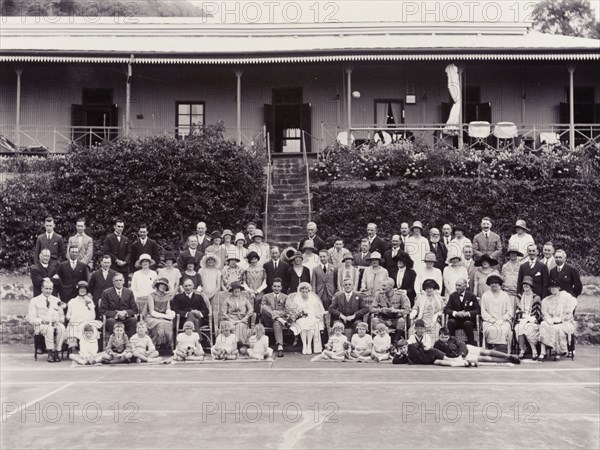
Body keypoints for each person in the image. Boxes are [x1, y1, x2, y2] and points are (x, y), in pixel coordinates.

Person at [434, 327, 520, 365]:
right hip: (461, 358)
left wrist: (461, 354)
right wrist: (456, 359)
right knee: (483, 358)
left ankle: (508, 355)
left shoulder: (453, 339)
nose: (444, 338)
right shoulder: (437, 344)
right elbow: (439, 355)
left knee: (485, 352)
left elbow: (462, 345)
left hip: (466, 350)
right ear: (439, 336)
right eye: (442, 337)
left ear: (449, 336)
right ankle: (508, 360)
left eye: (446, 336)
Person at [28, 280, 67, 362]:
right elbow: (31, 318)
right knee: (49, 329)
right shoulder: (34, 300)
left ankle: (57, 351)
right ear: (42, 288)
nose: (48, 291)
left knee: (62, 328)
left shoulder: (56, 300)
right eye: (46, 288)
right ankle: (50, 353)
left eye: (50, 289)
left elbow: (61, 315)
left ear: (52, 289)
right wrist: (42, 321)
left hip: (54, 323)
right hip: (40, 325)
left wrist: (59, 320)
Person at [539, 280, 578, 361]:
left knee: (557, 328)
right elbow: (544, 313)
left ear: (559, 288)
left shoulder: (565, 297)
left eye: (555, 287)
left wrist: (561, 319)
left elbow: (571, 307)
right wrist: (548, 319)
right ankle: (543, 352)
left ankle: (557, 352)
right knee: (543, 324)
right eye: (552, 287)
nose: (554, 289)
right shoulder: (546, 300)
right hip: (551, 321)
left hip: (563, 322)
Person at [405, 320, 470, 367]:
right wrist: (420, 345)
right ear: (415, 329)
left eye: (422, 328)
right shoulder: (412, 337)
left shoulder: (427, 336)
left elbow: (427, 348)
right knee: (439, 359)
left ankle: (459, 362)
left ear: (424, 329)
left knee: (440, 360)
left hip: (427, 355)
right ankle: (457, 361)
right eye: (418, 328)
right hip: (419, 357)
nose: (420, 330)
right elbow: (410, 348)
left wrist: (417, 346)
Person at [289, 282, 325, 355]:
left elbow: (316, 310)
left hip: (312, 316)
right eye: (302, 289)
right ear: (300, 290)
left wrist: (309, 313)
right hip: (300, 317)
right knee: (302, 323)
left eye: (306, 289)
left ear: (308, 290)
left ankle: (309, 346)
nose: (304, 291)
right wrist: (300, 313)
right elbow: (295, 309)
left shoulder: (313, 298)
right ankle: (304, 346)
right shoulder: (297, 298)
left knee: (311, 323)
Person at [370, 278, 411, 342]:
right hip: (383, 319)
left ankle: (395, 341)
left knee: (401, 320)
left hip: (396, 320)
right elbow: (371, 309)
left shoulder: (401, 295)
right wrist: (381, 310)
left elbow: (408, 310)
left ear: (391, 286)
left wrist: (396, 310)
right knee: (374, 320)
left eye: (384, 286)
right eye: (382, 285)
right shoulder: (379, 295)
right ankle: (378, 341)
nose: (382, 287)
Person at [99, 273, 138, 337]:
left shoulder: (129, 292)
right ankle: (115, 344)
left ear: (123, 281)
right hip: (113, 319)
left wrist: (125, 312)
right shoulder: (106, 292)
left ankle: (129, 343)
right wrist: (117, 314)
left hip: (126, 318)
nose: (118, 282)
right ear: (113, 282)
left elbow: (134, 309)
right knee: (111, 321)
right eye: (116, 281)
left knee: (133, 320)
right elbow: (102, 310)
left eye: (120, 280)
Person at [480, 275, 513, 351]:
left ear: (499, 284)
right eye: (492, 283)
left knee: (504, 329)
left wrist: (503, 319)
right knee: (490, 330)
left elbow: (509, 311)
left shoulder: (505, 295)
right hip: (489, 321)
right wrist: (491, 319)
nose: (494, 285)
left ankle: (503, 349)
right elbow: (483, 311)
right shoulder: (485, 295)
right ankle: (490, 348)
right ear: (489, 284)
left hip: (503, 321)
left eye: (496, 283)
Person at [444, 278, 480, 346]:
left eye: (459, 285)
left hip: (468, 321)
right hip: (456, 321)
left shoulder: (471, 296)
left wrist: (467, 313)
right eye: (456, 285)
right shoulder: (452, 296)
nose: (457, 287)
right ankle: (452, 344)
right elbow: (446, 309)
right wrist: (456, 313)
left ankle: (471, 345)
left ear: (465, 286)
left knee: (467, 323)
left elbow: (477, 310)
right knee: (451, 322)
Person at [65, 280, 102, 348]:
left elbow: (93, 315)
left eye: (84, 289)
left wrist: (84, 321)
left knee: (91, 328)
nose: (82, 290)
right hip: (75, 323)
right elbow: (68, 315)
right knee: (72, 327)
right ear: (78, 290)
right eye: (80, 289)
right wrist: (72, 318)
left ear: (86, 290)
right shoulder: (72, 301)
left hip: (86, 322)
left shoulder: (89, 301)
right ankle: (74, 347)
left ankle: (90, 349)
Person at [260, 278, 290, 357]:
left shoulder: (285, 297)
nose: (276, 288)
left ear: (281, 287)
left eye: (278, 286)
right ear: (272, 287)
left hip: (279, 322)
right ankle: (279, 319)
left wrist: (275, 313)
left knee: (277, 322)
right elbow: (262, 310)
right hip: (268, 320)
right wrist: (275, 314)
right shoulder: (266, 296)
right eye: (275, 286)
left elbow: (286, 311)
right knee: (264, 307)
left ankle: (280, 347)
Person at [515, 276, 542, 360]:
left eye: (527, 284)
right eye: (524, 284)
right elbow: (517, 311)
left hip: (532, 320)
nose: (525, 286)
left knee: (528, 327)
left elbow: (538, 312)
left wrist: (531, 318)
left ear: (531, 286)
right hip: (522, 318)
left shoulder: (536, 297)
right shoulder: (519, 297)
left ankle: (534, 350)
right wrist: (523, 316)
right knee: (519, 327)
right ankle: (522, 350)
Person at [145, 277, 175, 352]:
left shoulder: (167, 296)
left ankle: (166, 347)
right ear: (157, 285)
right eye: (161, 284)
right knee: (161, 323)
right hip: (151, 317)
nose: (163, 287)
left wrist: (171, 313)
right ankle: (154, 344)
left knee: (169, 323)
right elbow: (152, 312)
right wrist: (166, 316)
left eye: (165, 285)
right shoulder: (151, 295)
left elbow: (168, 309)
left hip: (162, 317)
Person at [103, 218, 131, 286]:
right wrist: (116, 260)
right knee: (113, 286)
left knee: (124, 287)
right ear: (114, 227)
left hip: (124, 267)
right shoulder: (109, 238)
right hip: (113, 266)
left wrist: (125, 261)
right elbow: (106, 252)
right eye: (118, 226)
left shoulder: (125, 239)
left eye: (122, 227)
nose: (120, 228)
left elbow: (129, 252)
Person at [199, 253, 223, 324]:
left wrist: (211, 295)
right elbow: (200, 283)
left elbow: (218, 286)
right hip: (203, 293)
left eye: (212, 260)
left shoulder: (217, 272)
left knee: (213, 311)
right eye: (208, 260)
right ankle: (202, 324)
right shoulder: (201, 270)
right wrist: (203, 294)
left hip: (214, 294)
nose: (210, 261)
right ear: (206, 261)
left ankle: (213, 326)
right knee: (203, 310)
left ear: (214, 261)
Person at [501, 245, 524, 313]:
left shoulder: (521, 266)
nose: (513, 255)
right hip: (506, 292)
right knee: (506, 311)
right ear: (509, 255)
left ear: (517, 254)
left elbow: (523, 280)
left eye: (515, 253)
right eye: (511, 253)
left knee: (516, 312)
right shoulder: (505, 266)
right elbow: (502, 279)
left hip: (517, 293)